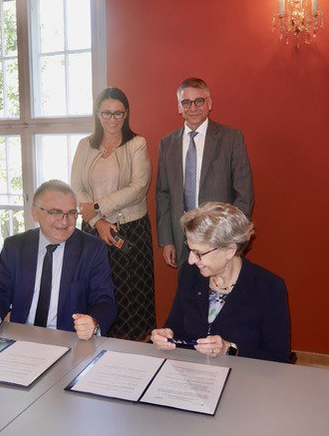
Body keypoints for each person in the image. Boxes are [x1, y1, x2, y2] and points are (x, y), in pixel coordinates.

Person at [0, 180, 117, 340]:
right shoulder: (16, 246)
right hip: (21, 339)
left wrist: (93, 322)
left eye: (71, 213)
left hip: (69, 341)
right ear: (35, 213)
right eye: (55, 212)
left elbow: (105, 300)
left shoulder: (92, 249)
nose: (65, 220)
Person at [151, 202, 290, 363]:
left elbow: (278, 358)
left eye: (199, 253)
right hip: (193, 373)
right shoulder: (190, 274)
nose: (190, 260)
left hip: (244, 378)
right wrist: (167, 334)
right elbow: (176, 324)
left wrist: (229, 349)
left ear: (229, 250)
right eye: (190, 250)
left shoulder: (268, 288)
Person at [71, 87, 155, 341]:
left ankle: (134, 348)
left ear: (126, 114)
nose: (112, 119)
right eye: (106, 113)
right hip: (92, 231)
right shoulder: (84, 145)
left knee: (131, 296)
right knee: (96, 290)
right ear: (98, 114)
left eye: (118, 113)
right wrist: (98, 222)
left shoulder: (136, 144)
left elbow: (139, 187)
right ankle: (96, 341)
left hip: (130, 231)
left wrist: (97, 208)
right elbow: (77, 187)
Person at [156, 77, 254, 268]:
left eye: (199, 101)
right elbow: (163, 194)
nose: (193, 107)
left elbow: (244, 194)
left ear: (209, 103)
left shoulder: (230, 139)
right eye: (186, 102)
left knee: (222, 292)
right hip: (183, 239)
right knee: (190, 294)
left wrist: (233, 237)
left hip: (221, 239)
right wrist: (167, 239)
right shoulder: (167, 144)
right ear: (179, 107)